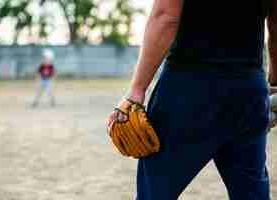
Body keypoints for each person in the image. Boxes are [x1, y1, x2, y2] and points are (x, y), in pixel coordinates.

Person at [107, 0, 276, 199]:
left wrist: (137, 90)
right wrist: (274, 82)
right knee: (251, 193)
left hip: (188, 88)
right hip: (248, 89)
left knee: (155, 193)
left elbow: (166, 16)